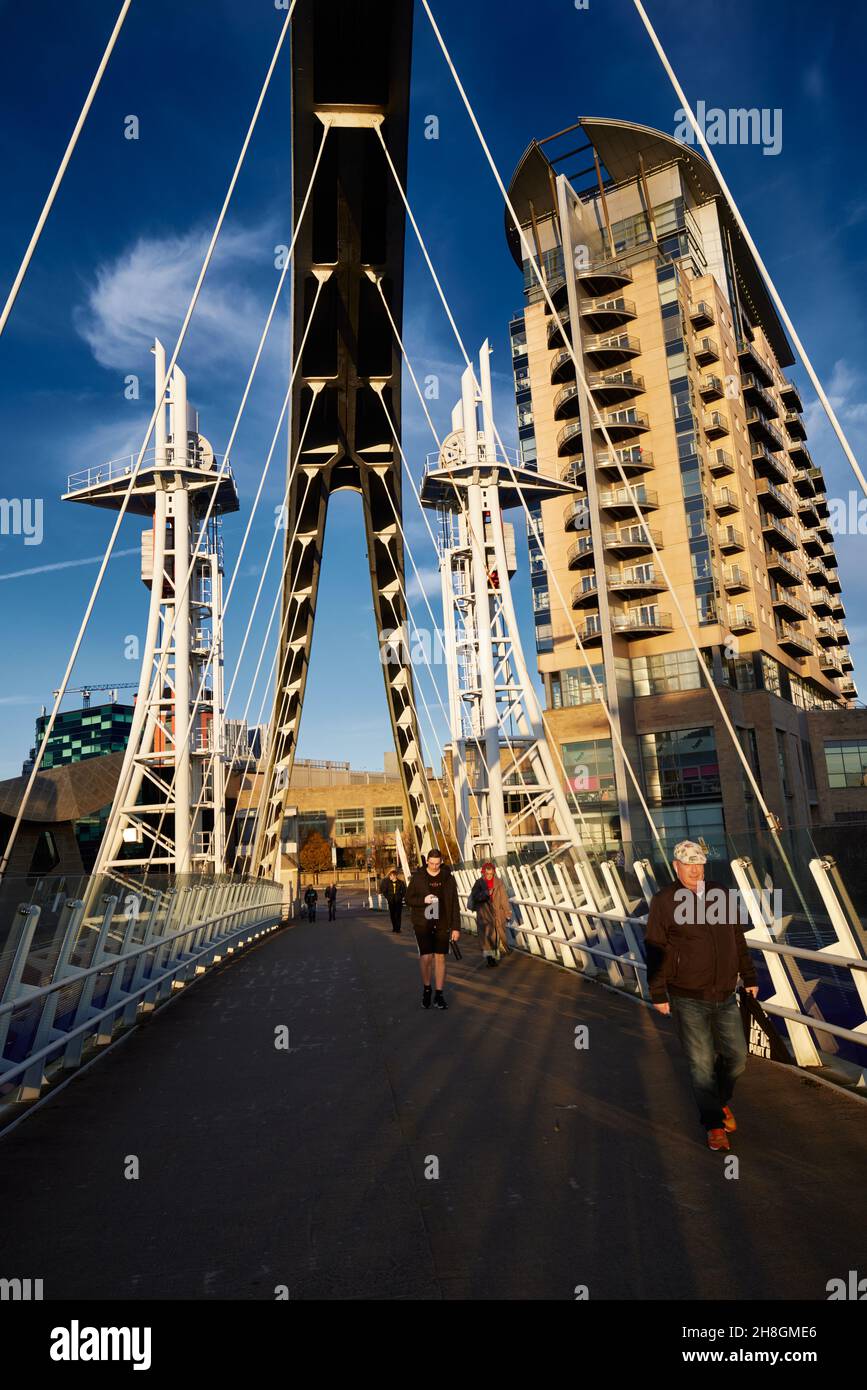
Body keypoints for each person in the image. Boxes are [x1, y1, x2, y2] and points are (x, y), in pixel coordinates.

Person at [644, 840, 759, 1152]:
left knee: (737, 1058)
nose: (695, 869)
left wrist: (749, 975)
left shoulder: (720, 893)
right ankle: (714, 1126)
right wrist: (658, 992)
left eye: (700, 864)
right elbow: (655, 948)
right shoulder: (665, 901)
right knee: (701, 1064)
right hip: (687, 996)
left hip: (725, 993)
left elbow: (737, 937)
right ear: (676, 866)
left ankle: (718, 1103)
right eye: (688, 864)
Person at [405, 849, 460, 1010]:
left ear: (441, 862)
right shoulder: (418, 877)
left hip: (443, 922)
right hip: (423, 923)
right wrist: (423, 900)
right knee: (427, 957)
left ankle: (439, 994)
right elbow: (408, 899)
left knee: (440, 958)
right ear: (427, 861)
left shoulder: (448, 878)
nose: (434, 867)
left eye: (437, 864)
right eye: (432, 863)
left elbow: (454, 903)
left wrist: (456, 927)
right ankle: (427, 990)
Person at [467, 860, 511, 966]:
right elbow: (474, 896)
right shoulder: (478, 883)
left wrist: (507, 911)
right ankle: (490, 958)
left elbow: (504, 898)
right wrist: (486, 893)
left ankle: (494, 956)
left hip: (497, 913)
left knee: (496, 935)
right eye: (487, 874)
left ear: (494, 873)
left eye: (491, 874)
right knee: (486, 936)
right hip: (484, 914)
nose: (489, 876)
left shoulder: (499, 882)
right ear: (483, 873)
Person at [380, 868, 406, 933]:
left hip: (398, 901)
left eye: (391, 876)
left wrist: (400, 897)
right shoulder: (387, 883)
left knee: (398, 915)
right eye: (389, 876)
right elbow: (384, 891)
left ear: (394, 876)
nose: (390, 877)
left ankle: (398, 928)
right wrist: (388, 897)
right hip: (391, 901)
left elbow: (404, 891)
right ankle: (394, 927)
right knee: (392, 915)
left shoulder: (401, 883)